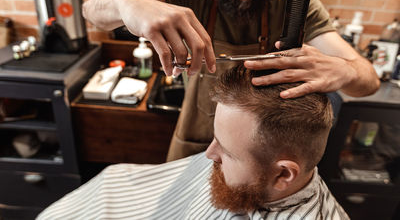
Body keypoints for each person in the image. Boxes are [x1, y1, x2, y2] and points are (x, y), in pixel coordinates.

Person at [82, 0, 380, 160]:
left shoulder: (294, 0)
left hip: (258, 151)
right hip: (194, 137)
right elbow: (92, 10)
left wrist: (348, 72)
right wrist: (125, 4)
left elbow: (369, 81)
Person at [37, 65, 349, 220]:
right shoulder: (255, 175)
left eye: (226, 153)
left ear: (283, 174)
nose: (208, 154)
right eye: (216, 139)